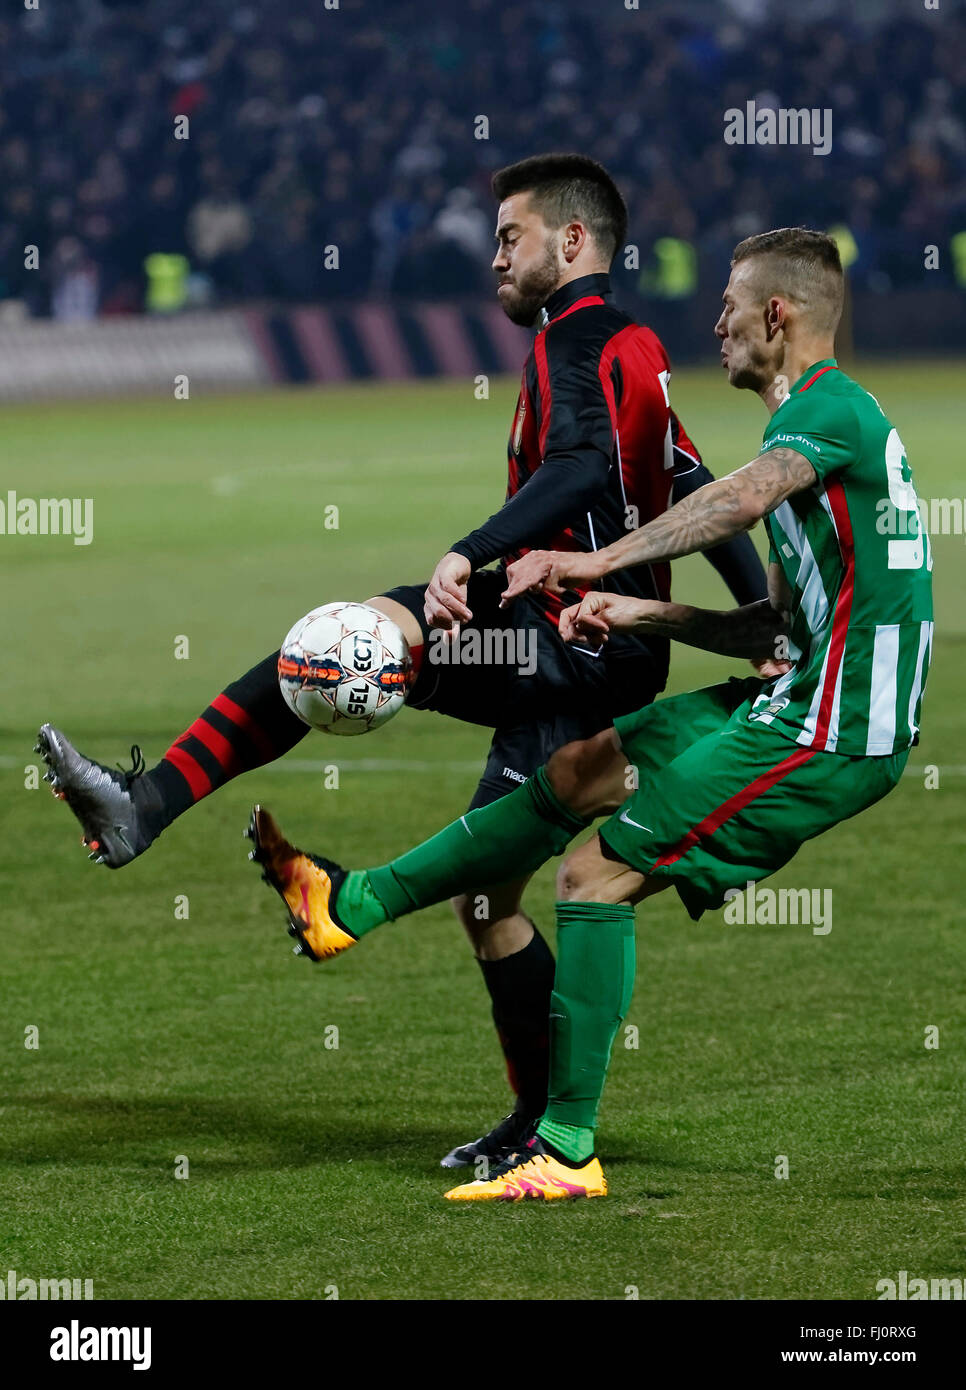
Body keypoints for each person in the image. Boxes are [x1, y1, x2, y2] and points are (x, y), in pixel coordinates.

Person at [37, 154, 764, 1172]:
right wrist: (761, 612)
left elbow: (581, 468)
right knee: (487, 900)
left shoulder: (578, 339)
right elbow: (694, 478)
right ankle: (536, 1123)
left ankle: (154, 808)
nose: (494, 257)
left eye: (510, 237)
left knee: (356, 642)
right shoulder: (631, 348)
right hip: (583, 641)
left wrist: (469, 554)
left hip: (568, 641)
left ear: (572, 242)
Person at [247, 227, 933, 1200]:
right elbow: (768, 627)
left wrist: (596, 561)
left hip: (835, 732)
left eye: (731, 305)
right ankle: (344, 906)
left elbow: (734, 502)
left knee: (591, 873)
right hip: (798, 692)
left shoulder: (826, 418)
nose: (717, 321)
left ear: (777, 317)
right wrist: (641, 608)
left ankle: (566, 1150)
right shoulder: (815, 432)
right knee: (581, 768)